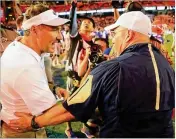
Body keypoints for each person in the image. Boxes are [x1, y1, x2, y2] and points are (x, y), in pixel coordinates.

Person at [9, 11, 175, 138]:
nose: (114, 39)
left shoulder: (114, 67)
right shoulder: (166, 67)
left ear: (129, 34)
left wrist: (32, 122)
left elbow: (71, 109)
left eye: (115, 33)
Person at [0, 4, 69, 138]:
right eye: (54, 29)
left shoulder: (20, 45)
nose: (60, 36)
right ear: (34, 29)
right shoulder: (25, 64)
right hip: (24, 131)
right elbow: (52, 113)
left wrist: (53, 89)